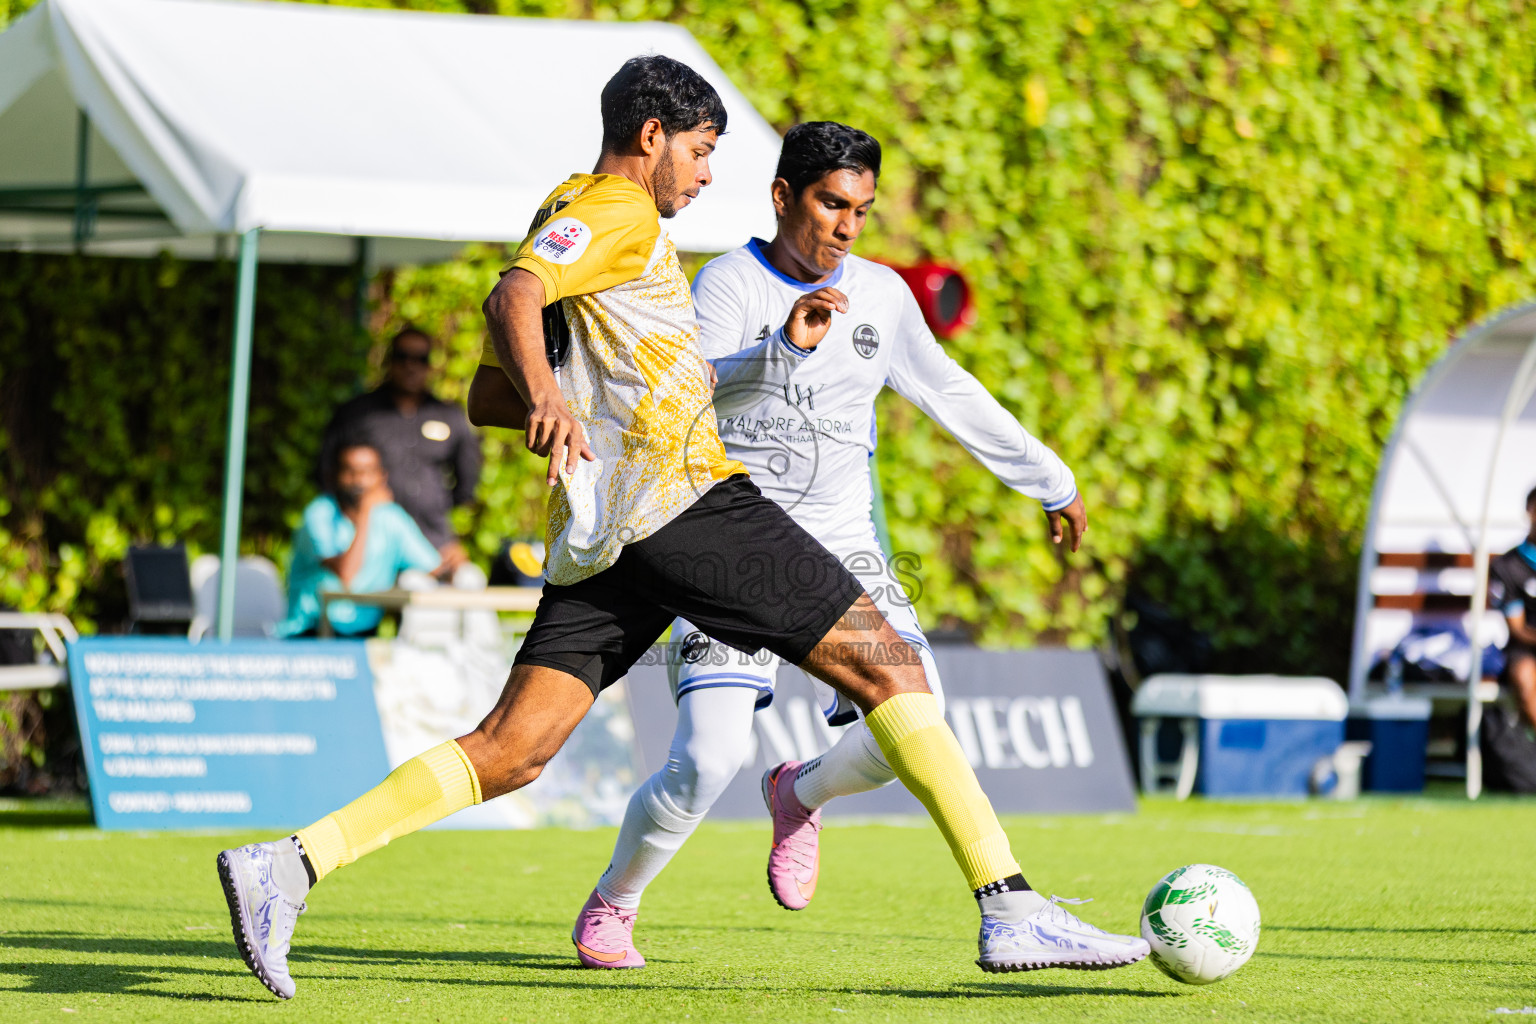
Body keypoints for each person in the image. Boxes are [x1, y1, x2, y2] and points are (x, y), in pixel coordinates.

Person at [216, 55, 1146, 1002]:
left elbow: (486, 393)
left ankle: (288, 865)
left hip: (607, 537)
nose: (705, 177)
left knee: (513, 748)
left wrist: (561, 390)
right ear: (651, 137)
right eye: (701, 153)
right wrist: (552, 395)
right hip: (685, 499)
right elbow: (512, 299)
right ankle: (1010, 904)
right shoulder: (617, 212)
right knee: (890, 666)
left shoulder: (570, 215)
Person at [534, 120, 1082, 966]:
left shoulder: (885, 296)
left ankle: (801, 792)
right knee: (706, 759)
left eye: (861, 210)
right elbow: (682, 397)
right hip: (726, 541)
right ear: (784, 196)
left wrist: (1051, 477)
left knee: (914, 719)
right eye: (831, 203)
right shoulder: (722, 286)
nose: (846, 226)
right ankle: (616, 900)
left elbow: (950, 392)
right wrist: (781, 345)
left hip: (842, 548)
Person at [318, 327, 480, 573]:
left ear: (430, 365)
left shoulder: (449, 416)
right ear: (389, 361)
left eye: (420, 359)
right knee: (413, 591)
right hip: (371, 539)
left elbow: (467, 482)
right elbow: (327, 472)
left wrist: (436, 506)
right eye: (402, 357)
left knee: (469, 581)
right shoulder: (358, 413)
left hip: (433, 537)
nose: (410, 366)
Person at [277, 441, 445, 638]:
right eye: (351, 471)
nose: (359, 481)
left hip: (363, 637)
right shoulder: (319, 514)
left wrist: (453, 562)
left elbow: (433, 567)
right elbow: (347, 575)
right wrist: (366, 512)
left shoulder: (391, 518)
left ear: (382, 477)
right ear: (334, 476)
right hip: (312, 635)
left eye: (367, 472)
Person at [1490, 485, 1536, 728]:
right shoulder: (1507, 566)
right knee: (1524, 677)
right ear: (1530, 511)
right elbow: (1518, 629)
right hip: (1526, 648)